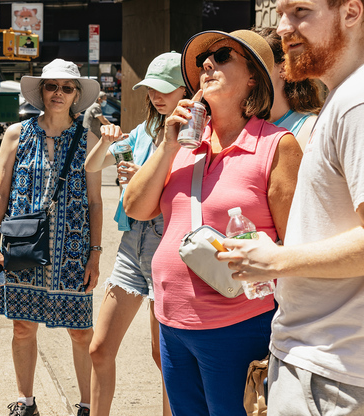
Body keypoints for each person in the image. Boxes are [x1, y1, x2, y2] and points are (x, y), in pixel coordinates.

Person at [218, 0, 364, 415]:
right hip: (318, 363)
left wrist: (276, 261)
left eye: (301, 11)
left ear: (352, 12)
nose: (284, 28)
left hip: (329, 370)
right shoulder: (340, 98)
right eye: (281, 13)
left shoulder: (356, 102)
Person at [122, 30, 302, 415]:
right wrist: (168, 145)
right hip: (172, 322)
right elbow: (136, 207)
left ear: (254, 77)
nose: (207, 64)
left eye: (222, 56)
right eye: (204, 60)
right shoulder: (184, 142)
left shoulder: (276, 145)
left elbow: (295, 245)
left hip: (239, 325)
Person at [0, 59, 102, 416]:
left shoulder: (89, 138)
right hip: (21, 246)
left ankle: (86, 405)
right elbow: (0, 194)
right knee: (23, 327)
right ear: (42, 92)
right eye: (52, 86)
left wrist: (95, 255)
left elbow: (96, 201)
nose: (58, 93)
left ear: (77, 95)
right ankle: (25, 402)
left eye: (67, 88)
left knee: (80, 332)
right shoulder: (16, 134)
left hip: (73, 249)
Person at [85, 51, 189, 416]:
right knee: (99, 348)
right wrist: (104, 141)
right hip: (132, 244)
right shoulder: (143, 132)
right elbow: (93, 166)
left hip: (167, 245)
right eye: (150, 90)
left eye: (165, 89)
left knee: (164, 359)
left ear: (185, 89)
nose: (156, 97)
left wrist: (142, 184)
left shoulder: (193, 137)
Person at [255, 27, 323, 150]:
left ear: (283, 68)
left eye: (257, 64)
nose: (248, 72)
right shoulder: (241, 126)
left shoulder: (310, 128)